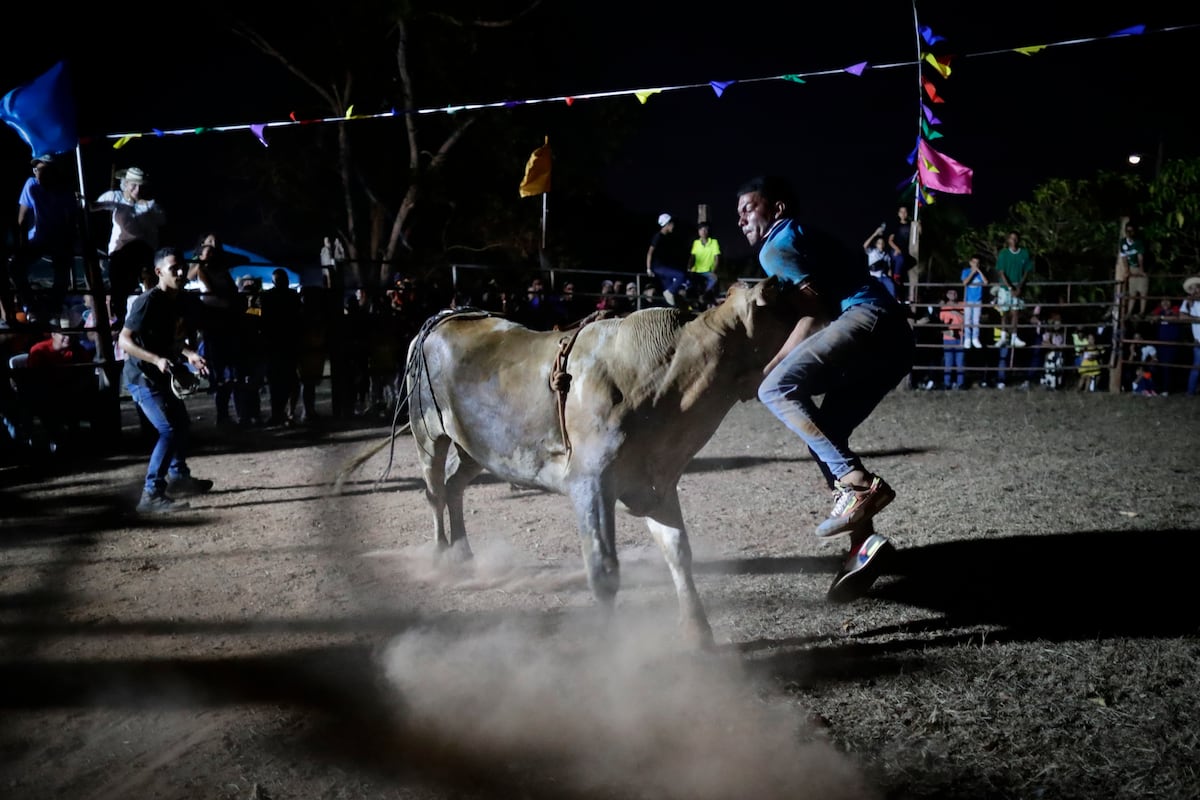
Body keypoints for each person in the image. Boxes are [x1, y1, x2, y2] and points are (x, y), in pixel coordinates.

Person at [736, 175, 914, 601]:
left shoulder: (775, 245)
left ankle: (858, 486)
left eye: (748, 207)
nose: (740, 217)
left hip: (866, 318)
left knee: (776, 391)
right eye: (737, 211)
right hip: (893, 340)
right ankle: (863, 546)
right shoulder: (805, 237)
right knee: (826, 436)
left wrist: (767, 370)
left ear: (776, 209)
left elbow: (815, 316)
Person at [117, 247, 213, 513]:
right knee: (169, 430)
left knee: (180, 425)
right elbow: (124, 340)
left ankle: (179, 478)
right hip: (142, 376)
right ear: (159, 272)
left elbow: (166, 340)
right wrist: (156, 359)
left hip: (159, 373)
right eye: (174, 269)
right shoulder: (148, 301)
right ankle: (151, 494)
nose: (181, 272)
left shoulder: (177, 300)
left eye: (182, 267)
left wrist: (190, 354)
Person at [92, 167, 165, 325]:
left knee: (143, 278)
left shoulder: (149, 204)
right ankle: (120, 315)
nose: (137, 190)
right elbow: (95, 206)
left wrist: (147, 208)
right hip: (119, 251)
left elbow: (161, 220)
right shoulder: (116, 197)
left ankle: (147, 312)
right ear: (125, 184)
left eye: (140, 186)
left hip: (142, 251)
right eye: (133, 185)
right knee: (119, 283)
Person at [12, 153, 79, 321]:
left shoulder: (64, 189)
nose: (38, 173)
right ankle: (31, 306)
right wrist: (21, 244)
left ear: (53, 172)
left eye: (43, 169)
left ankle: (54, 307)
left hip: (58, 237)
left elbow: (72, 219)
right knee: (15, 267)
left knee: (63, 265)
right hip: (36, 238)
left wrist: (69, 242)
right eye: (36, 169)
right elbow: (22, 217)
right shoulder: (31, 184)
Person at [259, 268, 302, 425]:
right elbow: (298, 317)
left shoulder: (267, 297)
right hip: (287, 342)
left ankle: (278, 413)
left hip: (274, 342)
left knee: (276, 381)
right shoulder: (292, 296)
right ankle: (284, 413)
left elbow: (257, 317)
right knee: (288, 379)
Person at [994, 231, 1034, 347]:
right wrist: (1010, 288)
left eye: (1016, 238)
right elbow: (1001, 272)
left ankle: (1014, 338)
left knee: (1015, 312)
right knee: (1005, 313)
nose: (1014, 240)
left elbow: (1026, 271)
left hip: (1018, 287)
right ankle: (1002, 337)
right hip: (1005, 287)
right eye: (1011, 238)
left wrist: (1019, 287)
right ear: (1008, 240)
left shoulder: (1024, 253)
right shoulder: (1004, 253)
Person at [646, 213, 688, 307]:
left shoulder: (666, 237)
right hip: (658, 267)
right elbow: (650, 252)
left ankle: (670, 311)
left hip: (664, 267)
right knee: (681, 276)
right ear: (667, 224)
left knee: (670, 296)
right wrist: (648, 268)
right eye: (671, 223)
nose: (673, 225)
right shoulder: (658, 236)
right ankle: (669, 293)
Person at [1117, 218, 1149, 319]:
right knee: (1132, 292)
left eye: (1131, 231)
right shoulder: (1123, 242)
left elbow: (1140, 257)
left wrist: (1141, 270)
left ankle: (1142, 312)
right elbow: (1123, 257)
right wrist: (1127, 270)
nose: (1129, 233)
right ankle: (1129, 312)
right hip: (1131, 267)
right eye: (1127, 231)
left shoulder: (1139, 242)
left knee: (1143, 291)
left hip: (1140, 267)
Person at [686, 221, 721, 307]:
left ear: (708, 231)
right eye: (701, 229)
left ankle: (703, 295)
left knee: (714, 278)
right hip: (696, 271)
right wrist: (689, 267)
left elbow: (717, 259)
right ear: (698, 231)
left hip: (708, 272)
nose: (703, 231)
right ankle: (692, 303)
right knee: (688, 283)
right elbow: (692, 257)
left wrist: (713, 271)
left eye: (705, 229)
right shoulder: (696, 243)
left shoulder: (714, 242)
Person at [938, 288, 966, 389]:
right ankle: (947, 383)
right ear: (947, 294)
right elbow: (941, 323)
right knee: (948, 361)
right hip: (948, 337)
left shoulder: (963, 304)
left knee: (960, 361)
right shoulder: (944, 307)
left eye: (955, 292)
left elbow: (968, 319)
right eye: (950, 292)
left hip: (961, 336)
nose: (953, 294)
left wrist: (957, 313)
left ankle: (960, 383)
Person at [861, 224, 896, 299]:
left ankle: (893, 302)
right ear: (876, 244)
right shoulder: (872, 252)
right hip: (874, 277)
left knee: (891, 286)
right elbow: (865, 245)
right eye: (879, 243)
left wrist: (891, 277)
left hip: (883, 277)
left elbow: (889, 269)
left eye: (882, 243)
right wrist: (875, 234)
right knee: (874, 291)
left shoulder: (886, 255)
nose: (881, 244)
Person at [961, 255, 988, 349]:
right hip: (968, 299)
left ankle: (975, 338)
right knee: (967, 319)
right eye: (974, 262)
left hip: (978, 300)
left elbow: (986, 282)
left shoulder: (981, 273)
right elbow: (965, 282)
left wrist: (979, 271)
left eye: (977, 263)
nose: (975, 264)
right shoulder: (966, 271)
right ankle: (967, 339)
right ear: (970, 262)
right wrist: (972, 272)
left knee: (976, 320)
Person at [1180, 275, 1200, 396]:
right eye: (1192, 288)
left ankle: (1192, 391)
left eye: (1197, 287)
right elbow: (1182, 316)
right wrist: (1196, 318)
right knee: (1197, 368)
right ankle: (1190, 391)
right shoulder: (1188, 301)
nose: (1195, 290)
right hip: (1198, 340)